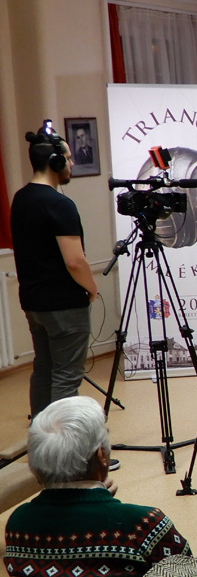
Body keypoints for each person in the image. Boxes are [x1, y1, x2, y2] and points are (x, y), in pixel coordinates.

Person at [3, 397, 191, 577]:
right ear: (101, 455)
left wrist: (99, 502)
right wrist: (104, 506)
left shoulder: (17, 525)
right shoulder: (146, 526)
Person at [12, 127, 98, 418]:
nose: (71, 163)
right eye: (68, 158)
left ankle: (41, 434)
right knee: (66, 376)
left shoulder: (21, 198)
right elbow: (75, 261)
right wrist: (92, 288)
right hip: (64, 306)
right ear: (55, 162)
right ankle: (63, 442)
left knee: (44, 369)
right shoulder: (59, 204)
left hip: (33, 302)